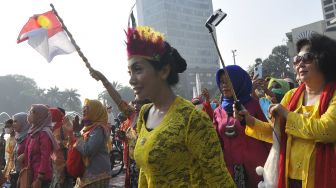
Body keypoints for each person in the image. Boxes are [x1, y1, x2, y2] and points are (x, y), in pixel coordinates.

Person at [126, 26, 234, 187]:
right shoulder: (144, 113)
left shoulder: (192, 119)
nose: (131, 80)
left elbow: (219, 180)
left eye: (138, 70)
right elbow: (145, 173)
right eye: (129, 72)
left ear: (163, 71)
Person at [234, 33, 336, 187]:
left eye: (307, 58)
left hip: (321, 178)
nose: (300, 64)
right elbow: (278, 134)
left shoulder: (334, 96)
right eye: (297, 59)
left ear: (324, 60)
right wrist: (250, 121)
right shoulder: (291, 96)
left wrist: (287, 115)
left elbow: (327, 130)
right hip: (288, 178)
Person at [213, 65, 271, 187]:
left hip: (257, 168)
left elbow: (269, 135)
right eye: (222, 82)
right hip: (231, 171)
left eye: (228, 81)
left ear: (239, 81)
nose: (224, 85)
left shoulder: (255, 105)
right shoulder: (217, 111)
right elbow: (216, 142)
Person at [72, 99, 111, 188]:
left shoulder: (98, 129)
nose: (83, 111)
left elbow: (87, 150)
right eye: (83, 109)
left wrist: (77, 134)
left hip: (97, 174)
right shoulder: (88, 128)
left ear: (95, 111)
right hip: (88, 174)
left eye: (87, 109)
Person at [23, 104, 59, 188]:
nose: (29, 114)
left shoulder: (44, 133)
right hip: (32, 174)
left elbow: (45, 157)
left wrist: (39, 178)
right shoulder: (33, 131)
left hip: (41, 178)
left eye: (31, 112)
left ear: (39, 115)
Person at [48, 107, 73, 188]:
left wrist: (59, 143)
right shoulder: (51, 128)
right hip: (55, 162)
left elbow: (70, 142)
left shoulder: (63, 128)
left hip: (63, 161)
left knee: (63, 182)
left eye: (50, 115)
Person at [9, 112, 30, 187]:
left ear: (24, 122)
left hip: (27, 175)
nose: (13, 124)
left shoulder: (29, 137)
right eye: (13, 121)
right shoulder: (19, 137)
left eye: (16, 121)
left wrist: (25, 155)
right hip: (18, 173)